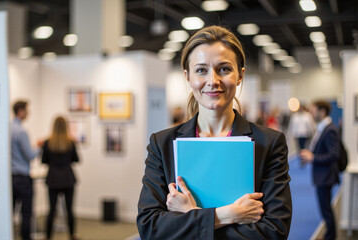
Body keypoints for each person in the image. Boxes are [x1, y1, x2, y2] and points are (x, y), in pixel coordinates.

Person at [137, 25, 292, 239]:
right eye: (201, 70)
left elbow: (273, 232)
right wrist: (229, 214)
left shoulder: (269, 143)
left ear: (240, 75)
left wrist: (190, 216)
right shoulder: (162, 144)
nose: (213, 80)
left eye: (224, 69)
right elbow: (150, 227)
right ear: (188, 77)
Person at [300, 100, 339, 240]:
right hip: (322, 175)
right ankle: (330, 234)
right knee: (325, 208)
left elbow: (334, 155)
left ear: (322, 112)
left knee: (326, 209)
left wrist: (313, 157)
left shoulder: (330, 129)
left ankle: (330, 236)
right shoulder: (324, 127)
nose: (311, 113)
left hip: (325, 176)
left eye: (314, 110)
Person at [41, 116, 80, 240]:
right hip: (68, 179)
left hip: (53, 179)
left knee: (51, 210)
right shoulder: (71, 142)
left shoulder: (47, 142)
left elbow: (44, 161)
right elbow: (76, 159)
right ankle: (72, 235)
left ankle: (47, 236)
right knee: (70, 210)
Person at [11, 100, 40, 240]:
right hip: (22, 178)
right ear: (21, 111)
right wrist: (40, 146)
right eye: (27, 110)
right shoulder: (21, 131)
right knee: (26, 214)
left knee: (9, 212)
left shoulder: (8, 128)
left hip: (10, 177)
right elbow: (30, 155)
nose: (28, 113)